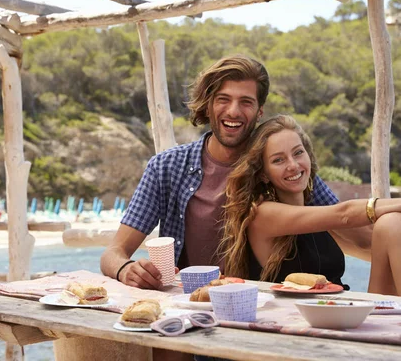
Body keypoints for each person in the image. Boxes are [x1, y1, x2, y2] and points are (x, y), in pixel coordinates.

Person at [100, 55, 341, 289]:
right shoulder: (166, 168)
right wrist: (126, 269)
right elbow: (113, 253)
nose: (233, 111)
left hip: (257, 308)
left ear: (259, 111)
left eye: (246, 102)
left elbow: (345, 223)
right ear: (208, 104)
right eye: (223, 99)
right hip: (187, 308)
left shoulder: (281, 165)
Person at [220, 114, 401, 300]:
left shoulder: (317, 215)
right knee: (395, 220)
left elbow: (371, 244)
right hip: (297, 327)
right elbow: (345, 214)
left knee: (394, 224)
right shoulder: (263, 214)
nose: (293, 165)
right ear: (264, 173)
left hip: (339, 313)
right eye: (278, 160)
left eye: (298, 153)